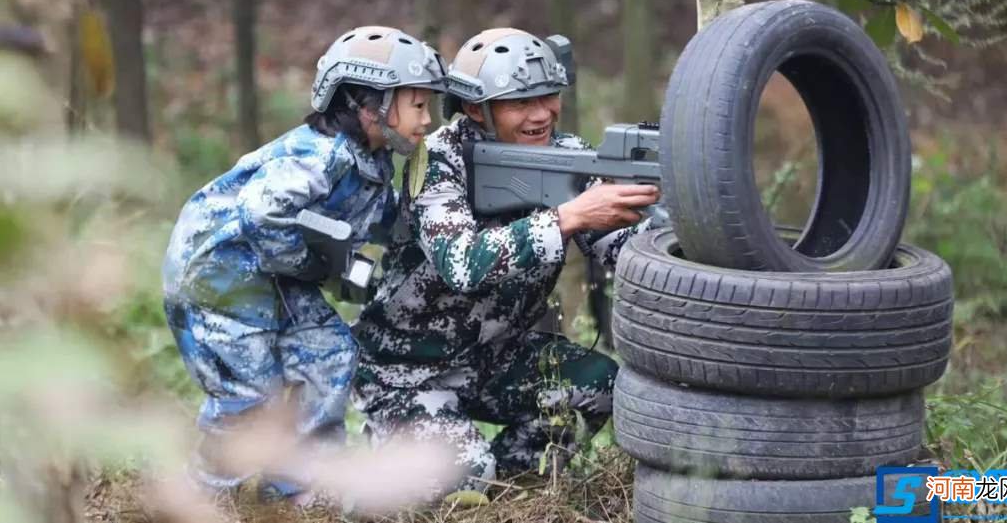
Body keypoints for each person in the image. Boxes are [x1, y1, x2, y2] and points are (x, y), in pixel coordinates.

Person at [352, 27, 659, 496]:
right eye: (520, 103)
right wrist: (569, 217)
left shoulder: (567, 155)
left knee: (598, 385)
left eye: (548, 96)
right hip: (404, 372)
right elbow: (461, 262)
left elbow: (619, 247)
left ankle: (516, 496)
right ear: (477, 108)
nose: (541, 115)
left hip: (493, 360)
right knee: (464, 473)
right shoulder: (437, 160)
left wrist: (664, 225)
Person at [162, 25, 447, 503]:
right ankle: (202, 499)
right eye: (417, 105)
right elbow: (261, 214)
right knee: (249, 399)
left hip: (273, 275)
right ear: (368, 105)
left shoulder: (373, 161)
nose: (427, 119)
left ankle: (302, 487)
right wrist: (316, 268)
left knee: (332, 355)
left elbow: (383, 222)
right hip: (219, 277)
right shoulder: (317, 157)